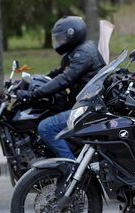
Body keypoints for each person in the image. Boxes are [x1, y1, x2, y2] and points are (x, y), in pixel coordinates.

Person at [17, 16, 105, 159]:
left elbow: (64, 79)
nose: (59, 42)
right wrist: (31, 82)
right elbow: (57, 74)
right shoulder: (78, 51)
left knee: (45, 127)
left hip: (89, 107)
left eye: (62, 38)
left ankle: (70, 168)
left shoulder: (83, 54)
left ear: (73, 35)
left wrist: (34, 94)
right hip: (83, 103)